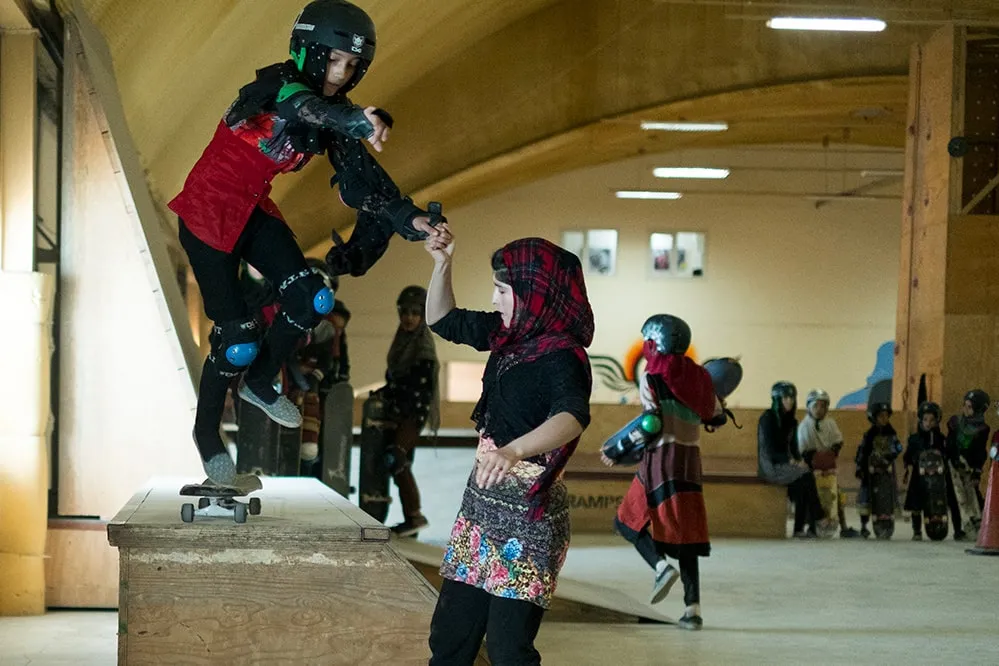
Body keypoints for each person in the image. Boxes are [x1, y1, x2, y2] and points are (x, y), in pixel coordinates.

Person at [168, 0, 445, 484]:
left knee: (312, 296)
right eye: (334, 60)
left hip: (252, 210)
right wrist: (356, 119)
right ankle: (207, 437)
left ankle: (260, 382)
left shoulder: (333, 115)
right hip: (207, 212)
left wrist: (412, 219)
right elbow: (302, 106)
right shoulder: (279, 86)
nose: (341, 73)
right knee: (236, 339)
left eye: (353, 66)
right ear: (308, 51)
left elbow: (364, 180)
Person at [423, 229, 594, 665]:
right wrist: (442, 265)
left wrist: (513, 450)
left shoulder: (563, 356)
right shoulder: (507, 335)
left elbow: (571, 416)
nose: (495, 300)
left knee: (507, 649)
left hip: (530, 521)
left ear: (534, 296)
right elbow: (442, 320)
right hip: (480, 514)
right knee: (450, 640)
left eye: (502, 290)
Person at [603, 314, 726, 631]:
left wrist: (617, 450)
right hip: (690, 462)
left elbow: (650, 424)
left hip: (660, 460)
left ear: (654, 343)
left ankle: (660, 567)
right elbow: (716, 416)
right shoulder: (700, 378)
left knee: (626, 520)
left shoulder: (652, 376)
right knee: (688, 535)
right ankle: (693, 610)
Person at [378, 285, 440, 537]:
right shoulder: (401, 340)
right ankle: (410, 522)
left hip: (413, 412)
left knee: (397, 457)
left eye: (415, 313)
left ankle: (415, 517)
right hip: (399, 411)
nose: (409, 318)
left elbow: (418, 387)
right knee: (399, 462)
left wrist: (398, 399)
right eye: (405, 312)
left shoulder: (423, 346)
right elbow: (395, 380)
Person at [757, 381, 823, 538]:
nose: (790, 401)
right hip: (770, 466)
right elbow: (771, 451)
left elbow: (794, 449)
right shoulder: (768, 418)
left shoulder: (792, 421)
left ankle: (800, 529)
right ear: (777, 399)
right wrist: (791, 461)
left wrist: (799, 460)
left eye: (792, 397)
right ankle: (817, 517)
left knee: (803, 482)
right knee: (805, 475)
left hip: (786, 466)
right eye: (786, 397)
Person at [797, 389, 860, 538]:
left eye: (823, 406)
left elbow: (838, 442)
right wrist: (815, 461)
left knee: (836, 495)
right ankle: (811, 525)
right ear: (809, 408)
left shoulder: (830, 423)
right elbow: (804, 450)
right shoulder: (805, 426)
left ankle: (843, 526)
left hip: (828, 466)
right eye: (816, 406)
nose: (819, 410)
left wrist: (830, 455)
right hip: (812, 468)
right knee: (812, 496)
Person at [903, 401, 964, 540]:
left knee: (951, 499)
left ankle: (958, 530)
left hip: (941, 476)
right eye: (925, 420)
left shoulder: (941, 439)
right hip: (921, 476)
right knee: (916, 500)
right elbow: (907, 456)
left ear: (937, 421)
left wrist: (954, 461)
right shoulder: (915, 439)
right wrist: (911, 460)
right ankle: (917, 531)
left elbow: (950, 453)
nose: (928, 423)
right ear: (920, 420)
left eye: (932, 420)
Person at [945, 389, 991, 534]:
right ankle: (959, 529)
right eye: (964, 405)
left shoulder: (982, 429)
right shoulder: (955, 422)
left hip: (969, 468)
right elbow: (950, 443)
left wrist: (977, 471)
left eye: (970, 407)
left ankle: (981, 523)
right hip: (953, 465)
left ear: (979, 410)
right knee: (955, 498)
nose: (965, 409)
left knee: (973, 494)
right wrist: (954, 458)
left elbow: (980, 452)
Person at [854, 402, 902, 538]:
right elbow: (862, 452)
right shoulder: (869, 435)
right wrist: (861, 467)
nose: (884, 419)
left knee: (887, 494)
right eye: (881, 416)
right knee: (866, 495)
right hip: (870, 471)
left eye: (886, 416)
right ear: (874, 418)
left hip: (886, 470)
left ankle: (886, 520)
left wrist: (891, 456)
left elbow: (898, 448)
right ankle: (864, 525)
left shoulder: (891, 433)